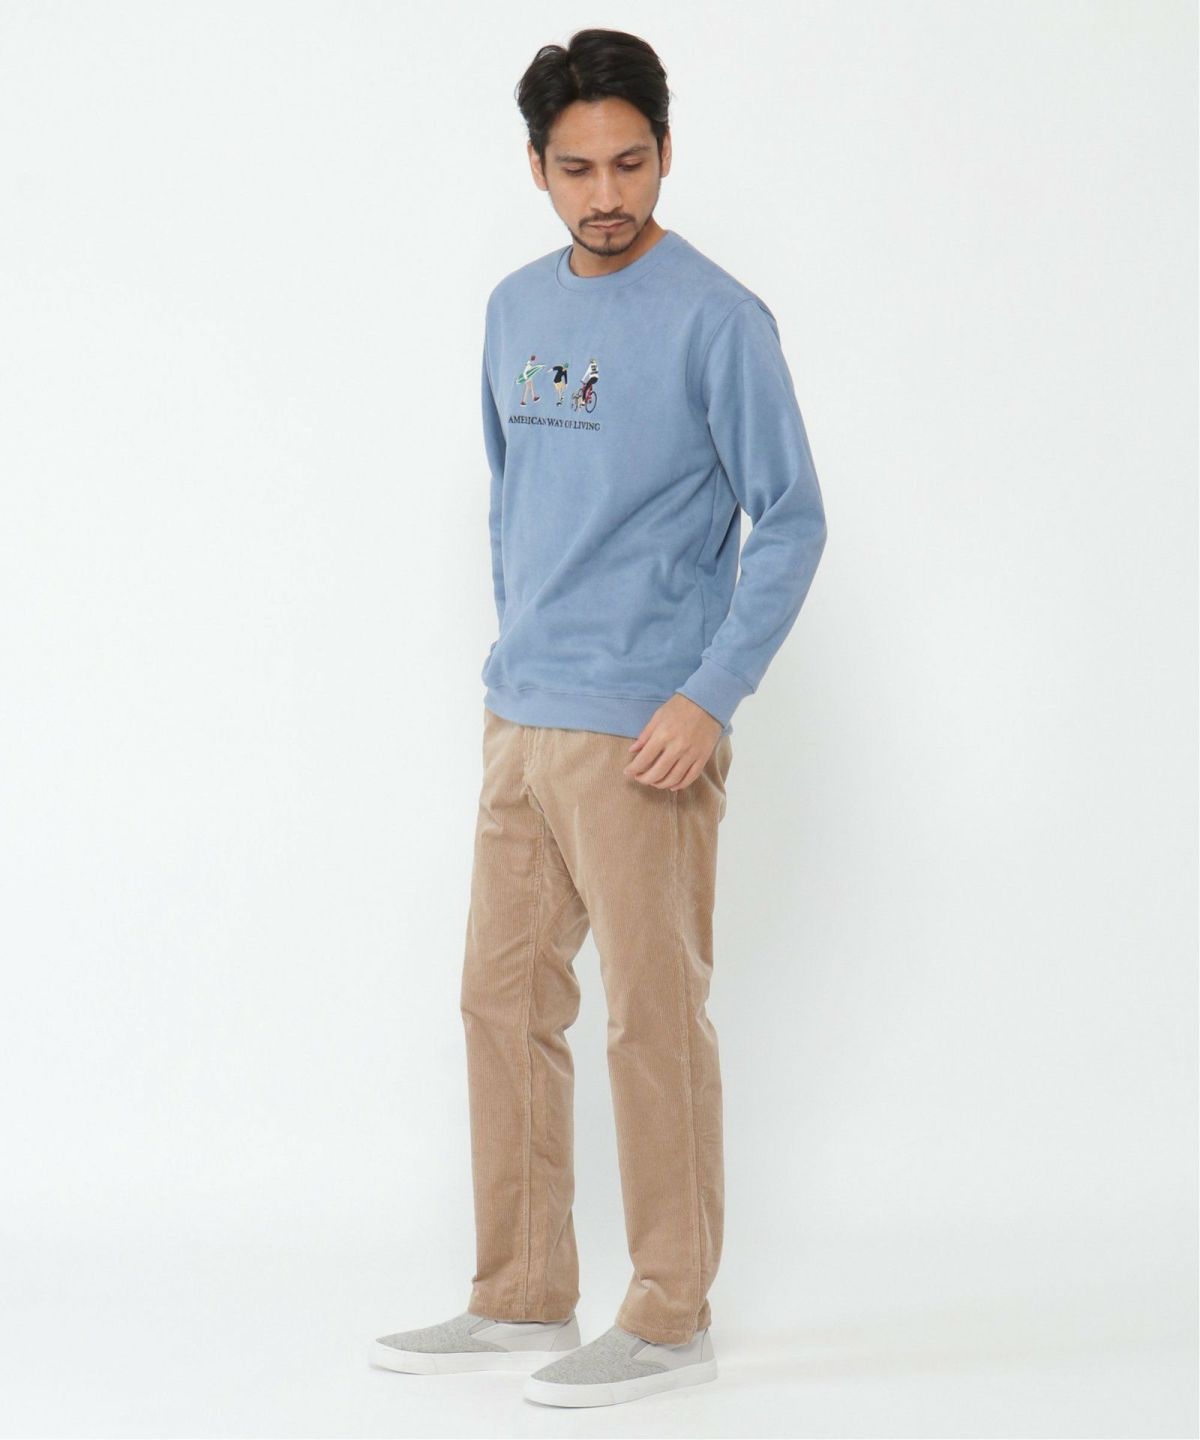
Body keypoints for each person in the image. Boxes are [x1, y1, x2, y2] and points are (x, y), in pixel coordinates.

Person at [370, 26, 828, 1410]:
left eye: (631, 163)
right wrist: (512, 661)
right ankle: (521, 1291)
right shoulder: (513, 309)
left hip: (645, 732)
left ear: (667, 153)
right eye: (578, 169)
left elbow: (791, 520)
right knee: (500, 1002)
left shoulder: (719, 318)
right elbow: (512, 497)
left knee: (651, 1019)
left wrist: (707, 693)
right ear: (537, 168)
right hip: (522, 714)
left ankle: (670, 1312)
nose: (607, 193)